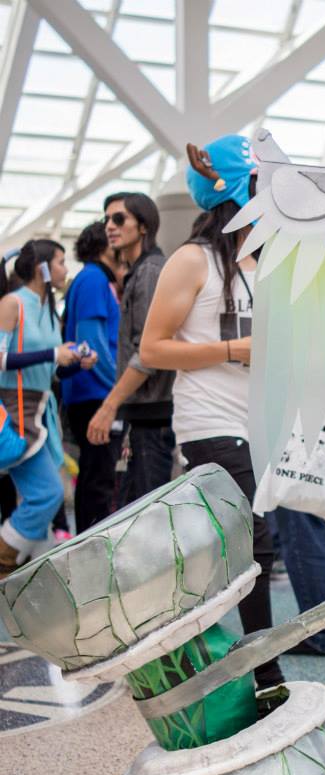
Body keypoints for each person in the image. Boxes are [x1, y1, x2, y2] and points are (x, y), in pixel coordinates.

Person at [139, 136, 285, 695]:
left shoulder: (261, 262)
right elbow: (152, 348)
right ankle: (266, 675)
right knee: (255, 539)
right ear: (238, 191)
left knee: (231, 545)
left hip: (257, 421)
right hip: (208, 421)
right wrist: (232, 350)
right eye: (261, 185)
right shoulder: (192, 260)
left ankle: (189, 647)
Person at [0, 241, 97, 574]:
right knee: (47, 494)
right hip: (17, 413)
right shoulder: (13, 303)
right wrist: (55, 354)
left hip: (39, 412)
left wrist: (75, 362)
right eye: (59, 262)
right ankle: (8, 560)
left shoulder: (47, 310)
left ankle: (21, 568)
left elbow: (52, 371)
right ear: (41, 267)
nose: (65, 269)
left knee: (46, 494)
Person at [87, 192, 172, 504]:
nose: (110, 226)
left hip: (153, 417)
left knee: (147, 514)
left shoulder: (149, 272)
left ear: (144, 226)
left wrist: (109, 406)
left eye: (119, 218)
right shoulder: (142, 271)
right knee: (136, 511)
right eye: (107, 219)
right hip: (144, 416)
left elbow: (149, 352)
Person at [62, 221, 122, 532]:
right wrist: (120, 389)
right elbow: (91, 343)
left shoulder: (92, 278)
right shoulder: (94, 278)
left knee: (94, 478)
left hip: (93, 392)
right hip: (96, 394)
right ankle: (92, 545)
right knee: (98, 481)